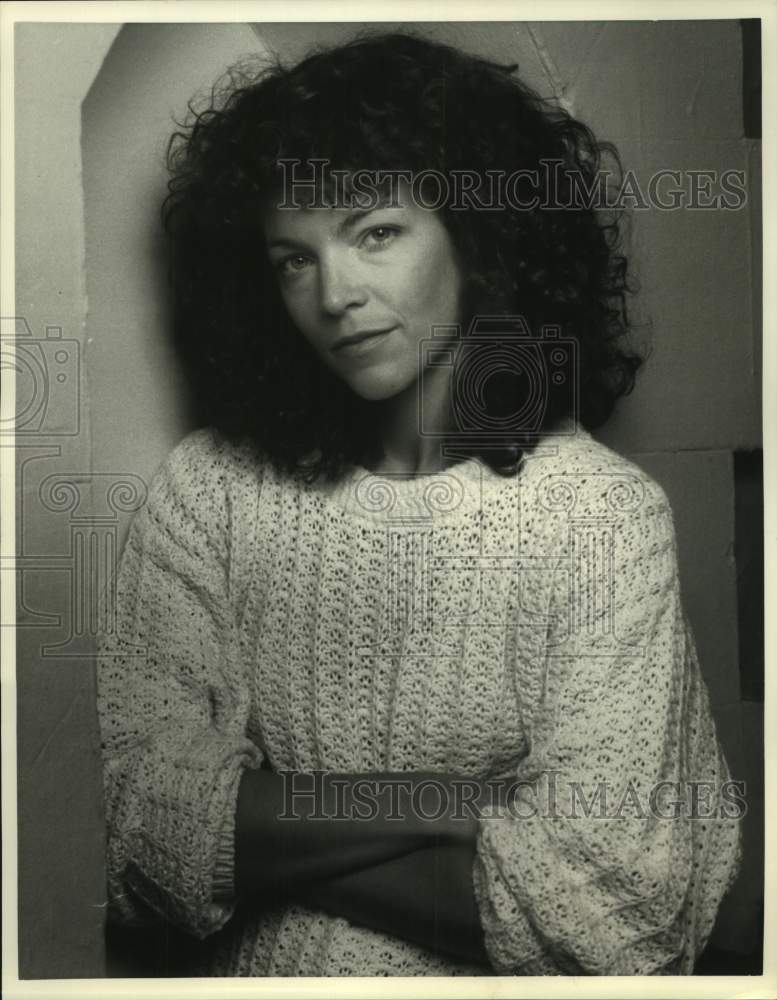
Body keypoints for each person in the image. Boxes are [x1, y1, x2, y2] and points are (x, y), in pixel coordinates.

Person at [96, 31, 741, 977]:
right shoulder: (211, 492)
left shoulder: (600, 520)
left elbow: (610, 915)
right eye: (292, 259)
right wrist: (441, 804)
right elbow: (130, 819)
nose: (335, 296)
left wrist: (269, 828)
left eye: (375, 232)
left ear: (476, 237)